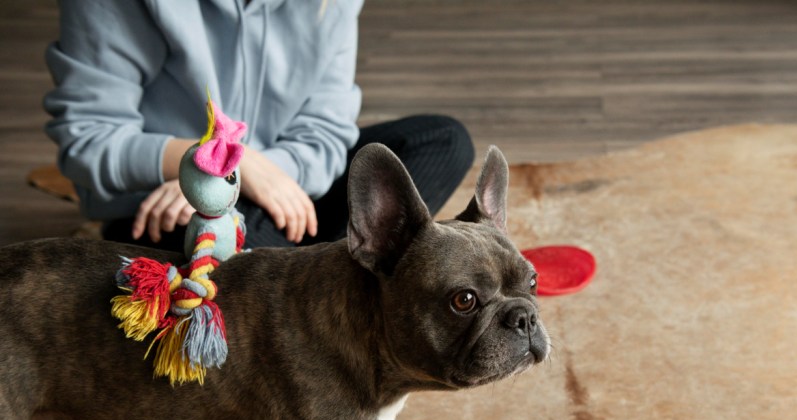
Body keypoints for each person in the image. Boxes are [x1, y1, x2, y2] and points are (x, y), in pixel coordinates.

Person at [43, 0, 474, 252]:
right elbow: (90, 139)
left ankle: (302, 285)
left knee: (442, 140)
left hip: (287, 189)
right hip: (171, 212)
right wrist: (215, 168)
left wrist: (250, 171)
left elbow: (324, 129)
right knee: (225, 238)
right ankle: (327, 284)